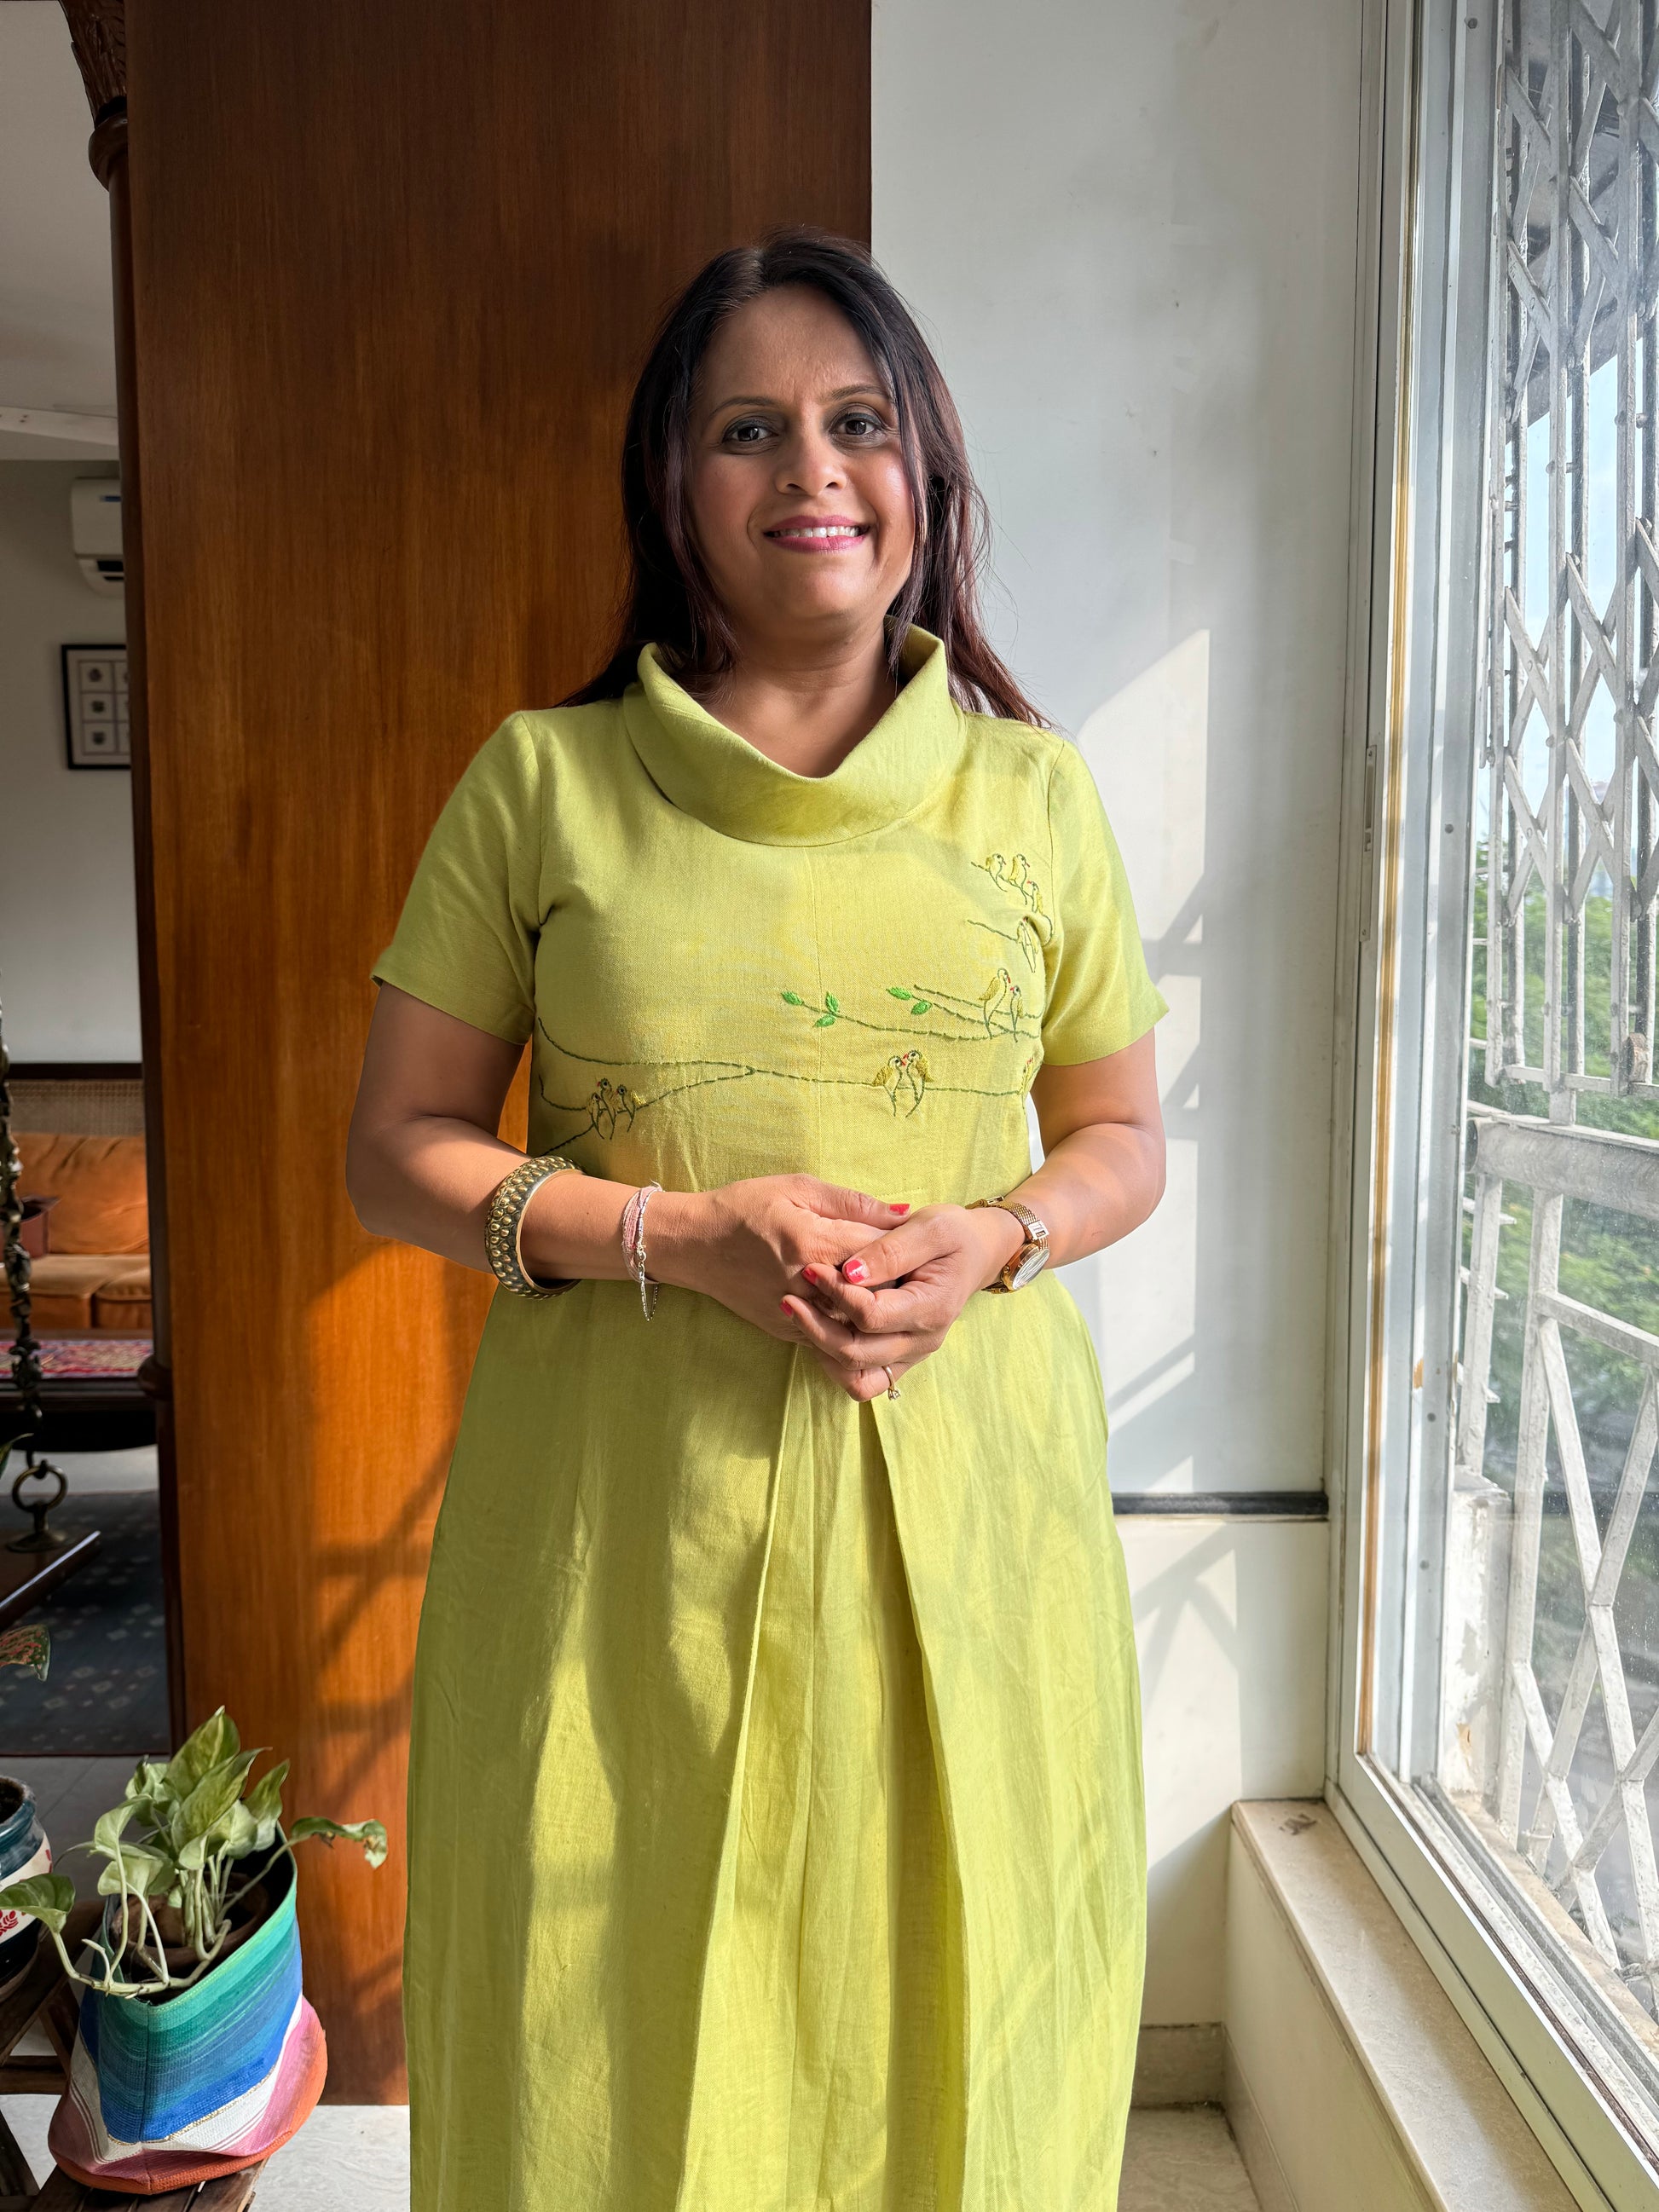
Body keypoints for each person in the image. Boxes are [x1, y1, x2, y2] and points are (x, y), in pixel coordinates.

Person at [346, 226, 1167, 2212]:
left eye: (856, 419)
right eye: (747, 429)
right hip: (617, 1528)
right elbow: (395, 1147)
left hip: (965, 1517)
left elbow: (1121, 1135)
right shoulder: (542, 786)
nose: (812, 468)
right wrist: (672, 1236)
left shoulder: (1034, 797)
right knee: (598, 2008)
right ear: (672, 484)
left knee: (947, 2002)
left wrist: (1001, 1238)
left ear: (922, 468)